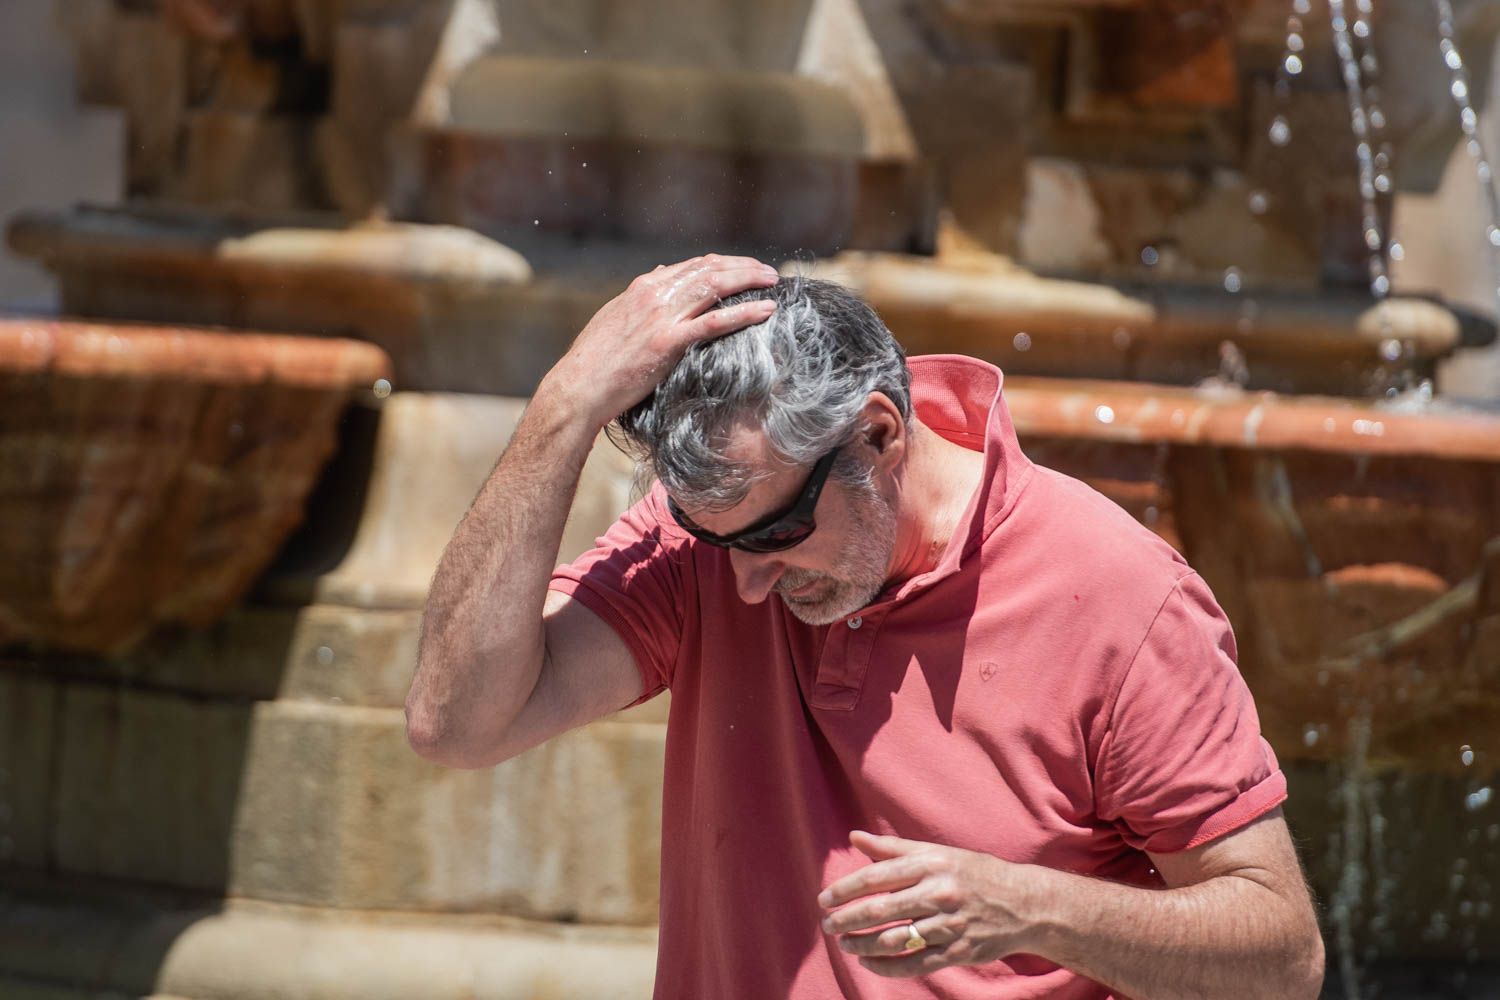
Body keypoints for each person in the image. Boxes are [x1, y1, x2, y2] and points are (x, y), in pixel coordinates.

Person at [406, 255, 1326, 999]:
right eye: (710, 537)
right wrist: (564, 404)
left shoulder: (1122, 598)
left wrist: (1033, 908)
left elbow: (1282, 960)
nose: (749, 584)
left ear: (879, 436)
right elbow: (458, 723)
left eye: (778, 535)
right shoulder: (710, 549)